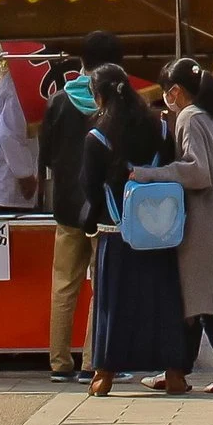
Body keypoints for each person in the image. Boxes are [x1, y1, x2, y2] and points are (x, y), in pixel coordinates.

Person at [125, 58, 213, 395]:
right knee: (195, 302)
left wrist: (149, 173)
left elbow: (196, 172)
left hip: (204, 223)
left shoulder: (190, 118)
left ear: (175, 91)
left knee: (203, 303)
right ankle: (177, 368)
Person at [81, 63, 183, 395]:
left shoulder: (97, 138)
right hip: (160, 230)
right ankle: (175, 373)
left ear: (99, 97)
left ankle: (104, 375)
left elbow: (90, 188)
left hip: (117, 231)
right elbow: (170, 169)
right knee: (164, 303)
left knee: (114, 304)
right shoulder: (161, 128)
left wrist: (91, 223)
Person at [41, 31, 121, 384]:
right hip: (102, 207)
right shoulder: (113, 103)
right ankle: (93, 360)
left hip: (65, 205)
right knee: (100, 283)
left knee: (64, 284)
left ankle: (59, 362)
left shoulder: (58, 101)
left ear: (81, 61)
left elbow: (45, 154)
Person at [0, 66, 38, 214]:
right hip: (9, 187)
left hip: (2, 186)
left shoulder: (15, 83)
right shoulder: (19, 86)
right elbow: (9, 136)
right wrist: (25, 175)